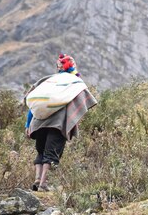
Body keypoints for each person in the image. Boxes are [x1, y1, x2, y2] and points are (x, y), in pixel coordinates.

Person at [24, 54, 97, 191]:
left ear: (58, 67)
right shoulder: (75, 83)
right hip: (57, 123)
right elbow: (83, 101)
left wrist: (28, 125)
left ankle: (37, 180)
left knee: (41, 151)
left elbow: (33, 104)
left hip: (38, 122)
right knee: (52, 153)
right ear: (72, 65)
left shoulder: (48, 81)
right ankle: (43, 185)